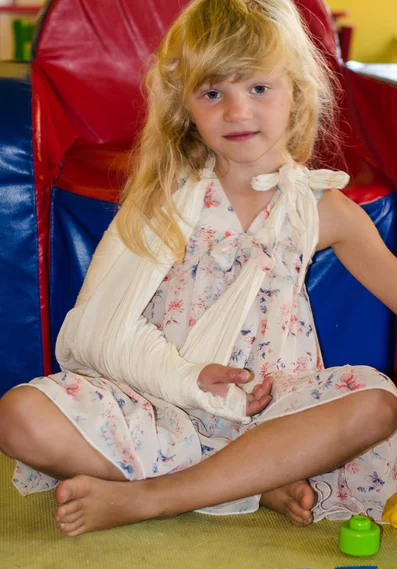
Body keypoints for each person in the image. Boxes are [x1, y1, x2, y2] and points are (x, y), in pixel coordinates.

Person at [1, 0, 397, 538]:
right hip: (160, 403)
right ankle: (249, 482)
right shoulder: (162, 200)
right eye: (213, 93)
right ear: (187, 107)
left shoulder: (322, 209)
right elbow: (95, 327)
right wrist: (189, 381)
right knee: (19, 414)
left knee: (374, 404)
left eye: (258, 88)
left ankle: (155, 497)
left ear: (297, 95)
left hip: (273, 414)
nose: (237, 112)